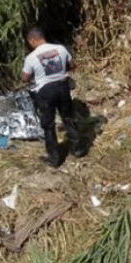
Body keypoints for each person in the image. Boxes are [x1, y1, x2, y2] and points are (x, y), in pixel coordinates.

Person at [21, 27, 85, 167]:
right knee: (68, 118)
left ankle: (54, 159)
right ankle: (78, 149)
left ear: (32, 40)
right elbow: (72, 65)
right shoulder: (61, 49)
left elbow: (25, 78)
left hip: (45, 92)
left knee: (48, 125)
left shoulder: (31, 58)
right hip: (63, 87)